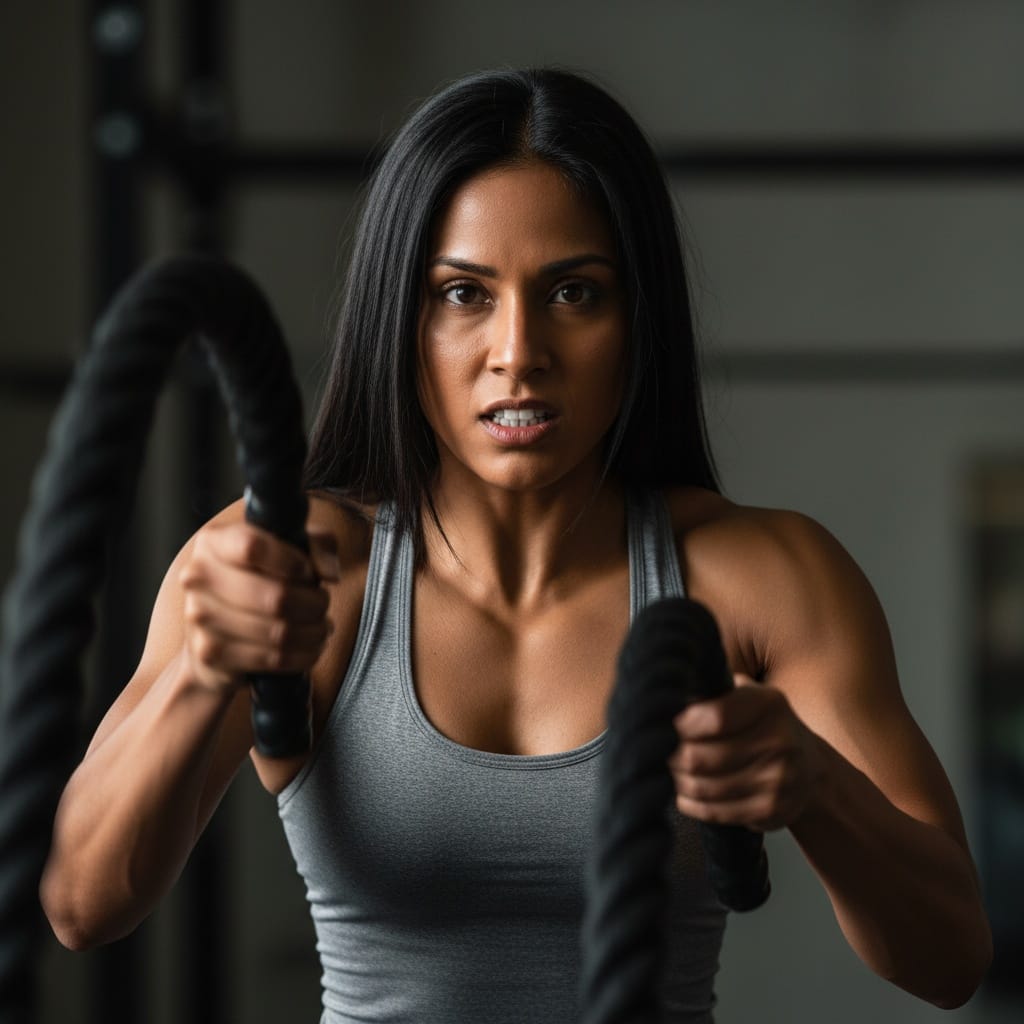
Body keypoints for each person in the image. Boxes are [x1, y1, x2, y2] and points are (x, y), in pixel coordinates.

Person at [39, 68, 991, 1022]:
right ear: (400, 321)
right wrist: (205, 674)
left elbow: (950, 961)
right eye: (463, 294)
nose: (518, 350)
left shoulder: (761, 580)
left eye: (574, 292)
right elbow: (83, 905)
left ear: (637, 322)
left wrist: (817, 786)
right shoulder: (303, 566)